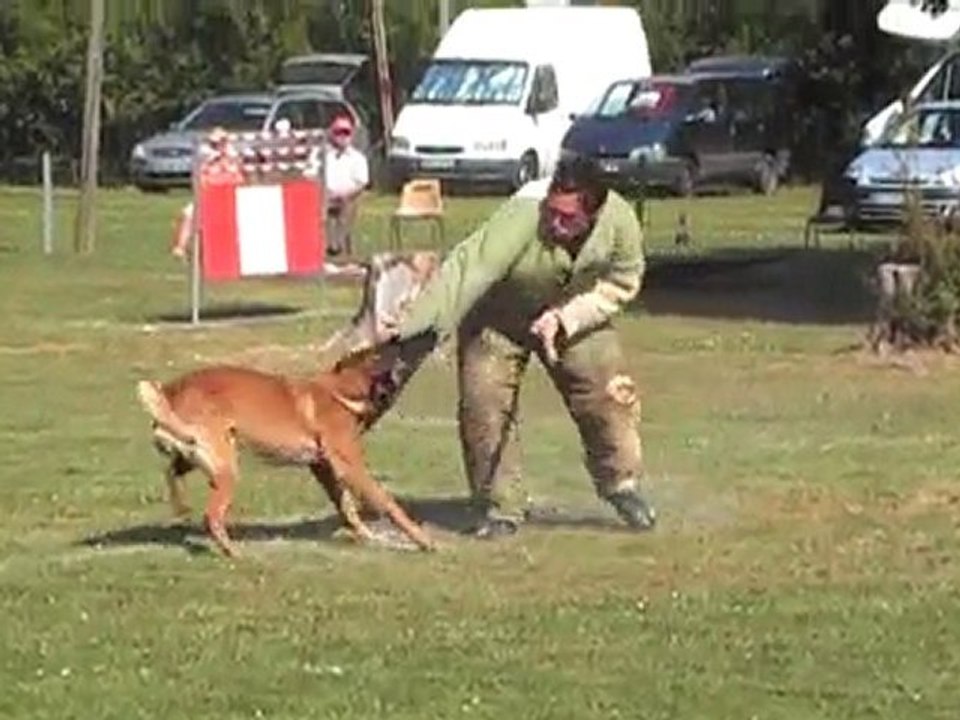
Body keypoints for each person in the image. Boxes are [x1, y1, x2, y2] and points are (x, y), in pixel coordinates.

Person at [380, 154, 656, 539]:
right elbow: (466, 270)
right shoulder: (521, 217)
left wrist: (566, 318)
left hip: (569, 312)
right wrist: (415, 329)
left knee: (608, 393)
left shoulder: (620, 221)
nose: (554, 223)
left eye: (567, 218)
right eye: (551, 212)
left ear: (593, 213)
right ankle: (498, 506)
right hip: (497, 315)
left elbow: (622, 282)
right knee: (483, 402)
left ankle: (621, 484)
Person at [323, 113, 369, 257]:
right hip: (324, 196)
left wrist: (346, 195)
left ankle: (338, 247)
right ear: (332, 134)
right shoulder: (322, 155)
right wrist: (326, 194)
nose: (342, 137)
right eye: (338, 132)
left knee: (346, 209)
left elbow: (362, 183)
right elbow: (311, 174)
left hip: (349, 197)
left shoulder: (358, 158)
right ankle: (327, 246)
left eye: (346, 133)